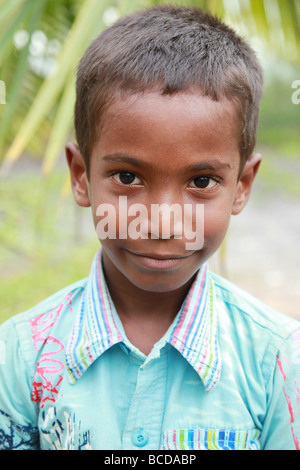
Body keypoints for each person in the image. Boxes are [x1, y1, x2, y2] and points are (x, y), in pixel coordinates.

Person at [0, 5, 299, 451]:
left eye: (201, 182)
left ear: (242, 186)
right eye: (127, 177)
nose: (162, 220)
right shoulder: (21, 357)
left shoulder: (278, 363)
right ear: (81, 175)